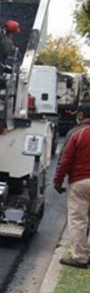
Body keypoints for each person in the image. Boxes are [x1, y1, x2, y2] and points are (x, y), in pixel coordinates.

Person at [53, 101, 90, 269]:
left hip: (80, 181)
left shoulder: (77, 134)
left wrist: (57, 181)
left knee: (78, 219)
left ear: (80, 115)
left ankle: (80, 258)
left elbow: (65, 161)